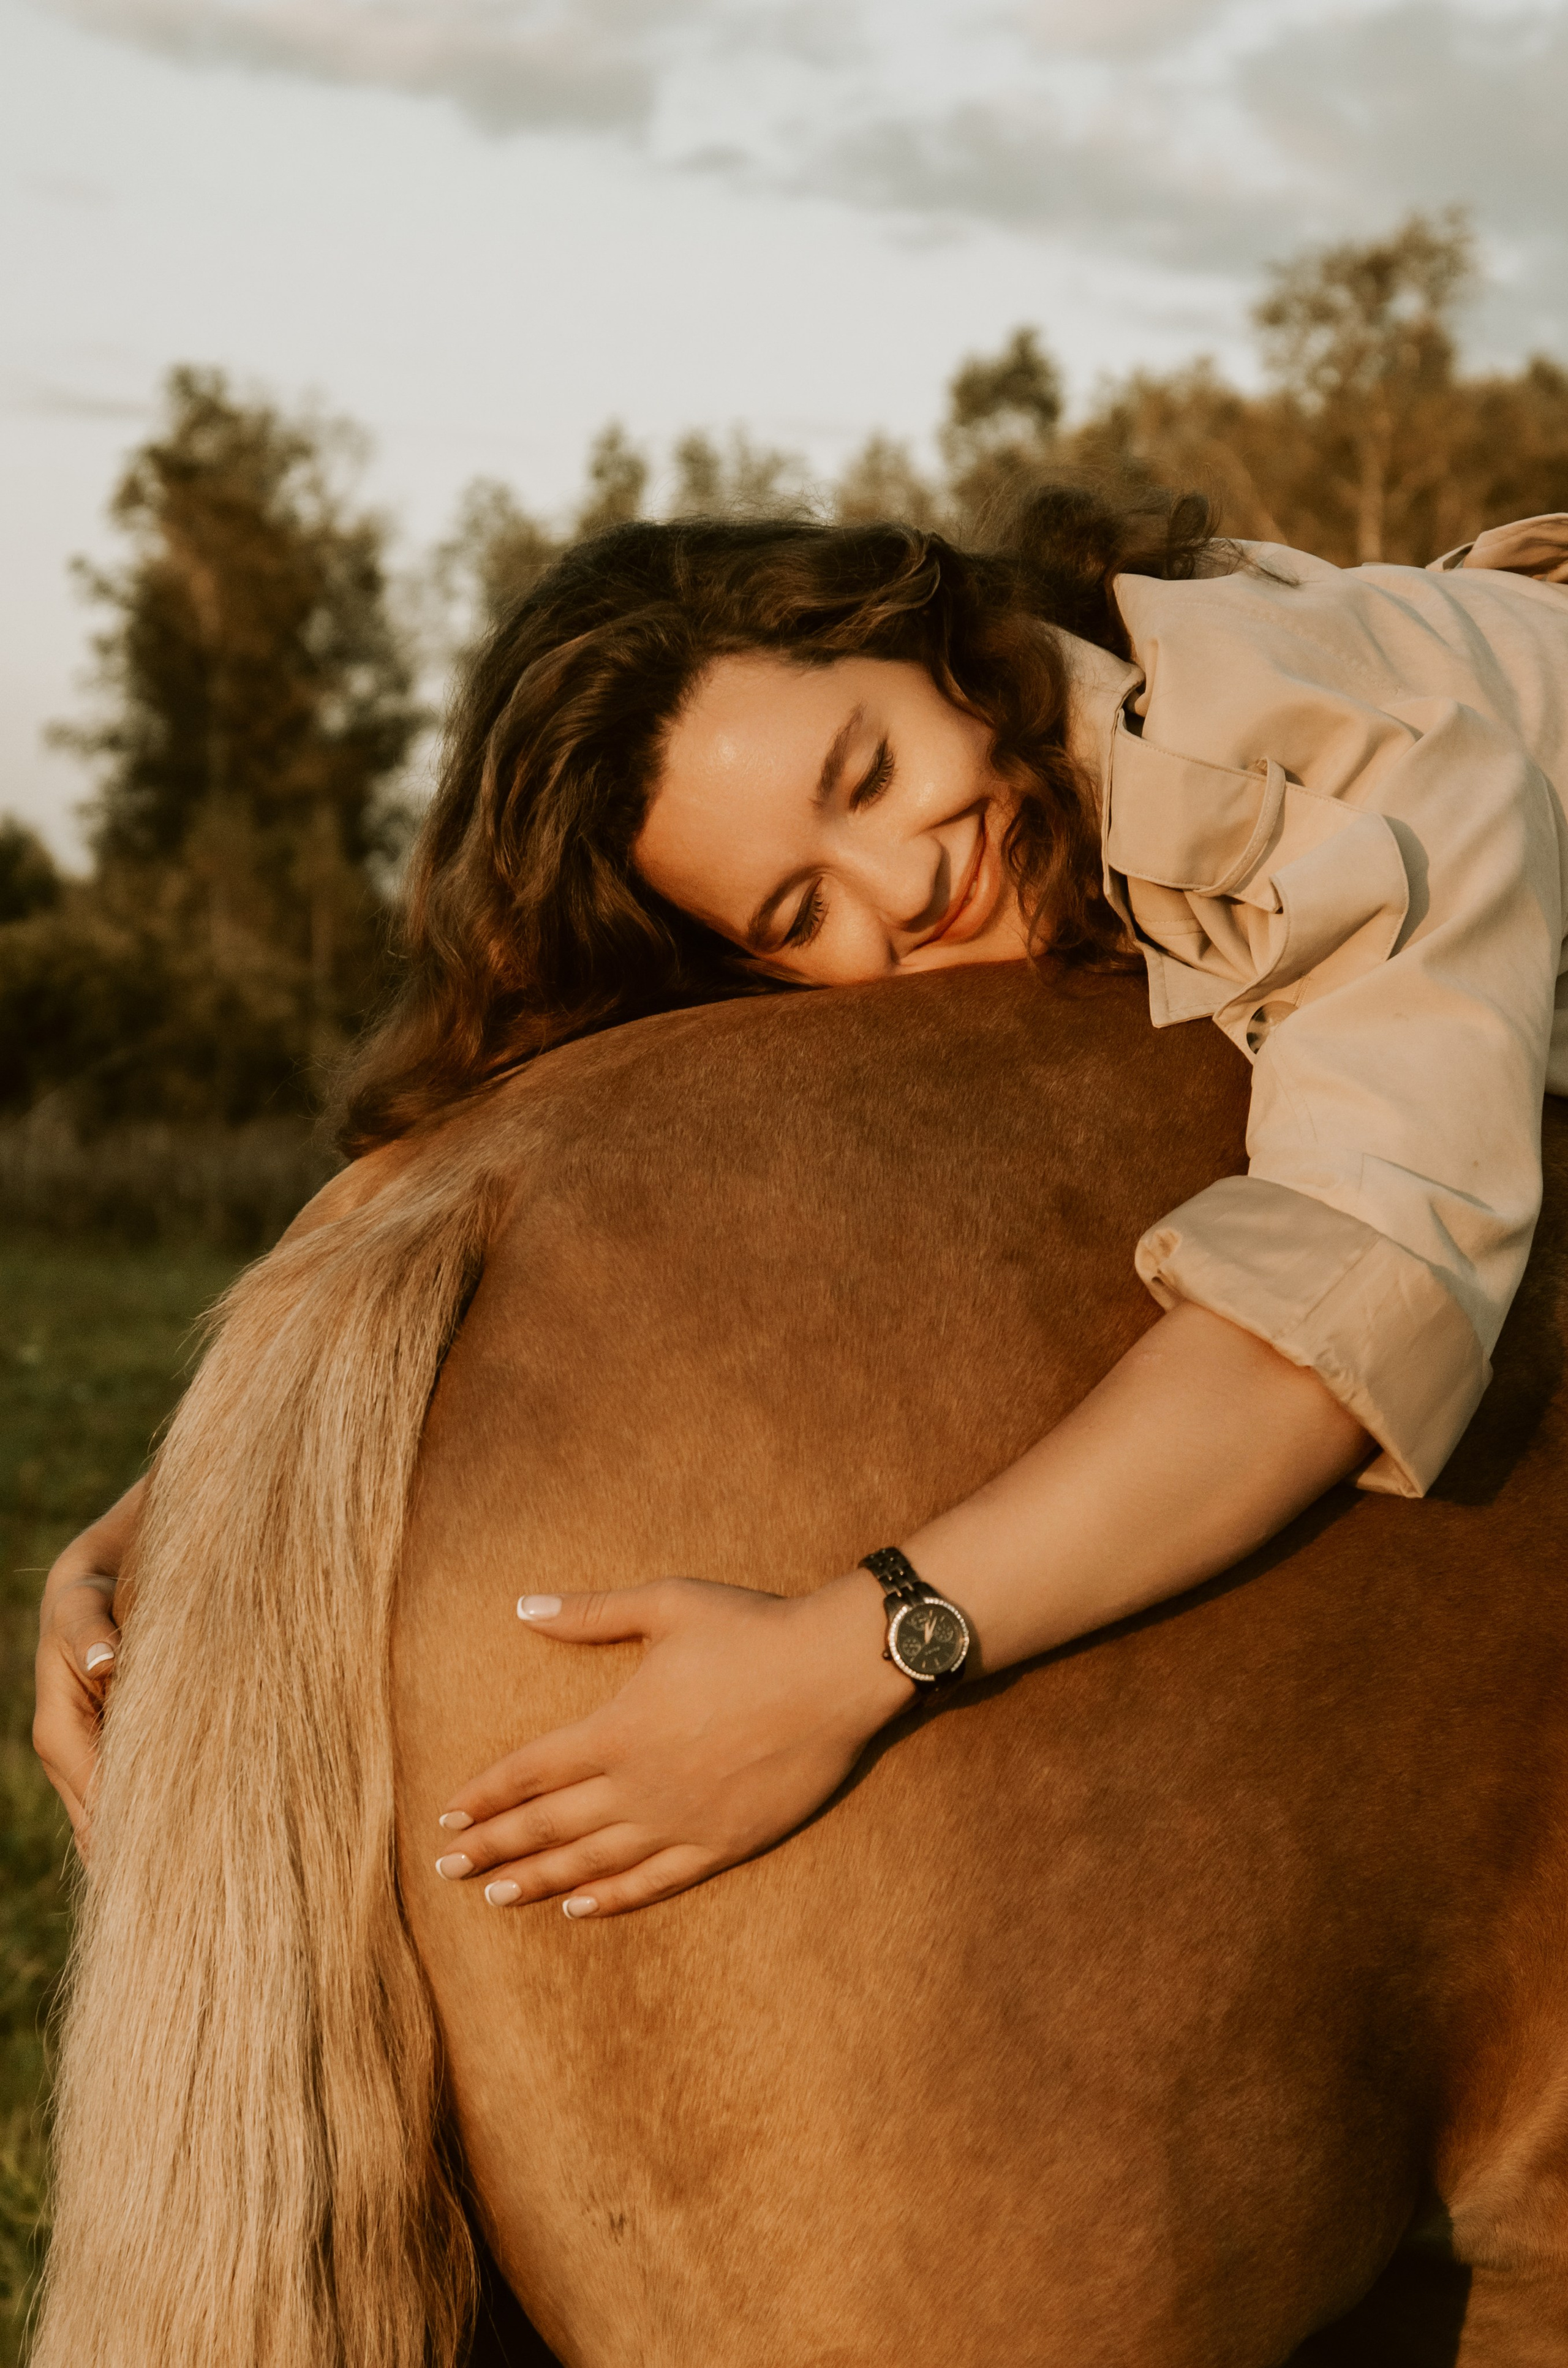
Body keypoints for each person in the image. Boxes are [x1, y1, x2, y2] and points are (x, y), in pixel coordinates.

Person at [34, 495, 1568, 1922]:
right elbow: (525, 1109)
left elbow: (1349, 1296)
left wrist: (851, 1654)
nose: (893, 889)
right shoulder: (1003, 790)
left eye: (865, 774)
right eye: (796, 911)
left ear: (918, 632)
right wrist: (164, 1509)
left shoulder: (1335, 752)